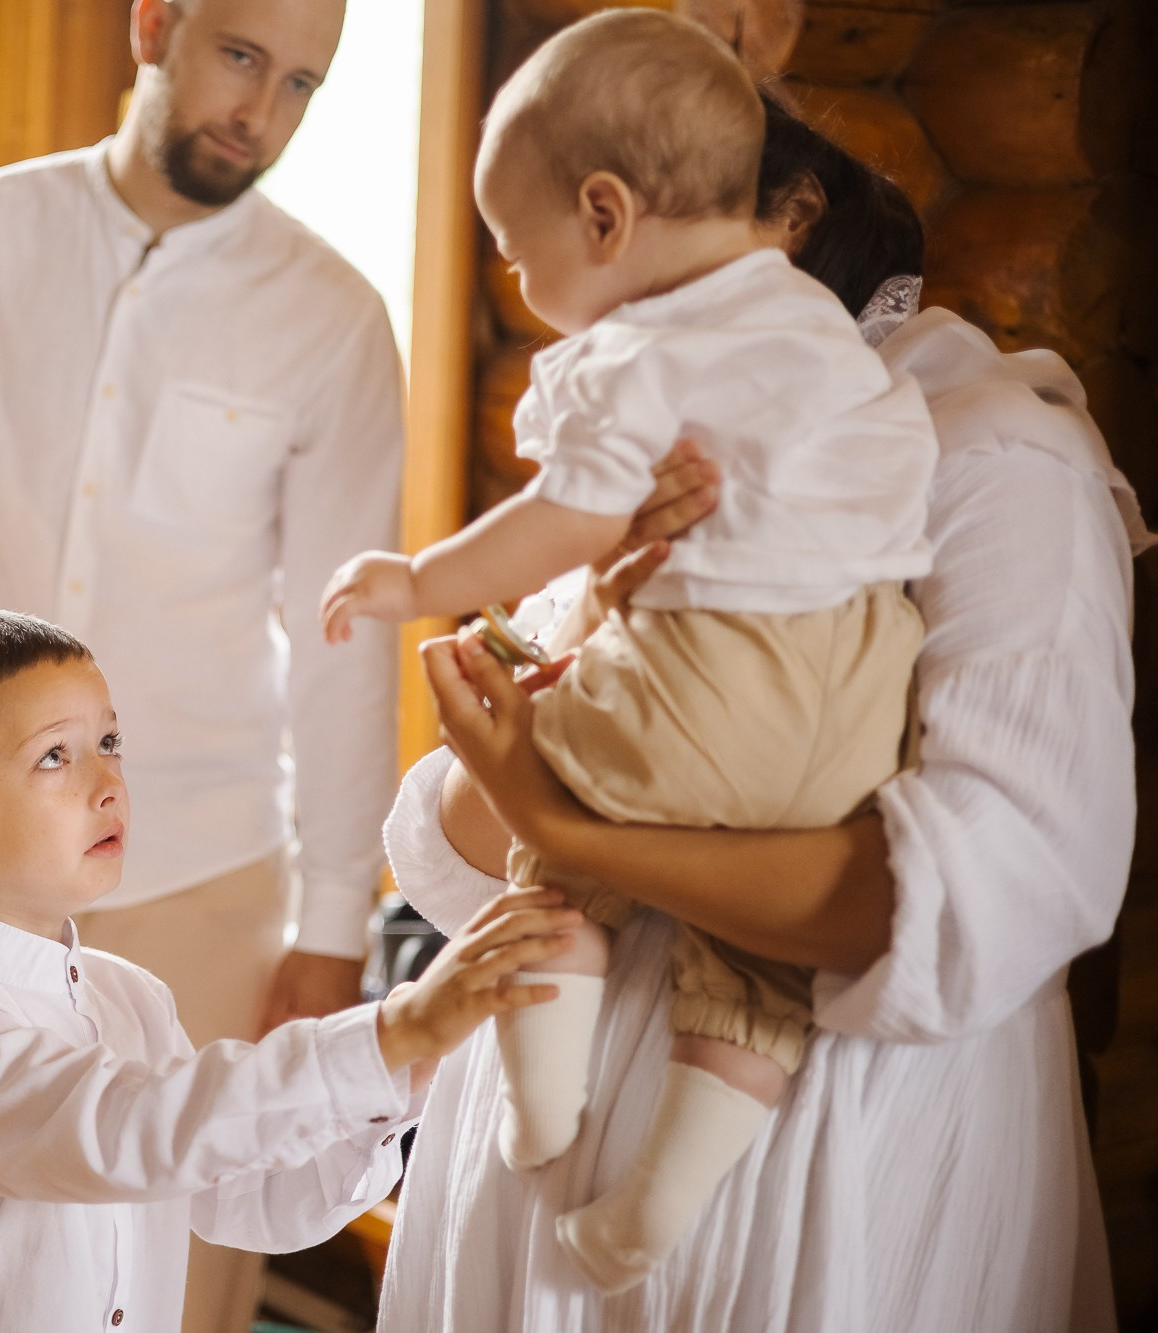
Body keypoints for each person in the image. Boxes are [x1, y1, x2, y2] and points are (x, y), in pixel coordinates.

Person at [375, 92, 1140, 1330]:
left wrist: (569, 825)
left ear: (789, 221)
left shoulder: (992, 456)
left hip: (826, 1164)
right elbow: (458, 844)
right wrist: (556, 685)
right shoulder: (653, 447)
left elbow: (988, 892)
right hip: (526, 1170)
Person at [0, 0, 402, 1325]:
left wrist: (335, 922)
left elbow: (344, 641)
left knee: (189, 1256)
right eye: (239, 57)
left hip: (202, 864)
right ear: (153, 24)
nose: (261, 113)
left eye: (301, 84)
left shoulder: (335, 319)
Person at [323, 10, 937, 1289]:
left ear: (603, 215)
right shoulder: (824, 326)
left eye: (514, 254)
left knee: (553, 814)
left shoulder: (638, 353)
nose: (519, 286)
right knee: (754, 968)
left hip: (713, 677)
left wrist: (417, 579)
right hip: (856, 705)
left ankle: (540, 1108)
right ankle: (660, 1196)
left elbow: (566, 519)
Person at [0, 608, 573, 1332]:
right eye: (55, 756)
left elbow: (249, 1200)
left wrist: (397, 1082)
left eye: (109, 742)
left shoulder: (131, 996)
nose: (108, 784)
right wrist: (388, 1035)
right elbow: (132, 1132)